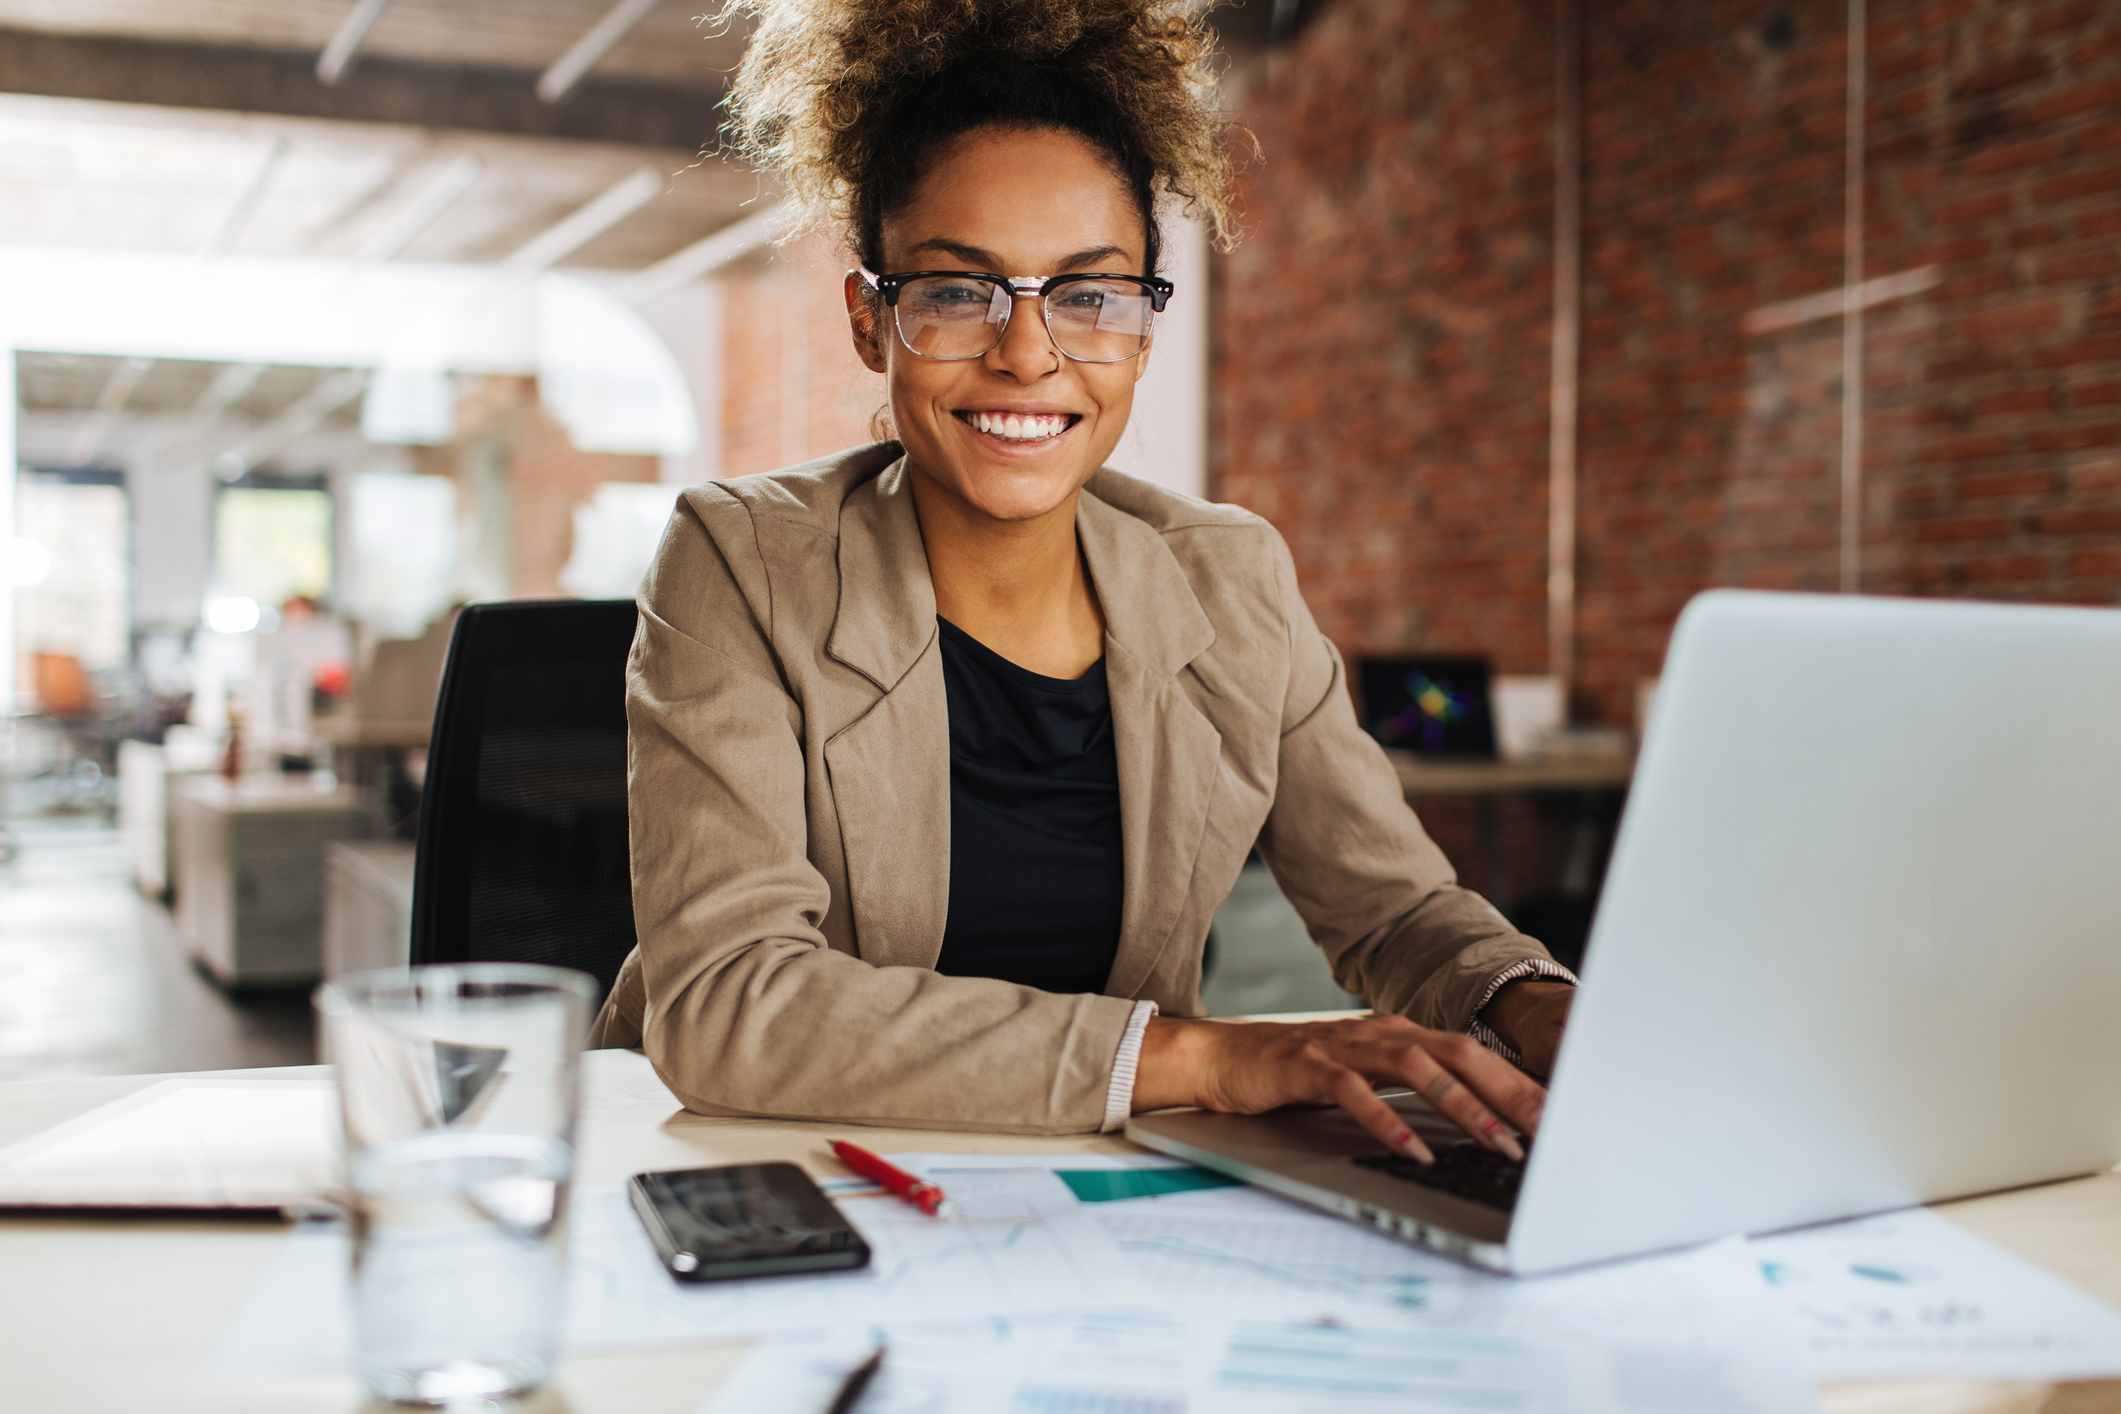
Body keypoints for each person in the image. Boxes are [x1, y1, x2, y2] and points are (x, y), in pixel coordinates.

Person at [592, 0, 1578, 1162]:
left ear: (1143, 331)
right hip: (786, 1175)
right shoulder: (740, 558)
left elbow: (1398, 911)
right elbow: (729, 1001)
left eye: (1088, 295)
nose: (1026, 351)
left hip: (1100, 1192)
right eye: (960, 291)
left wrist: (1542, 1007)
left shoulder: (1231, 579)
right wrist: (1205, 1057)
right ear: (873, 321)